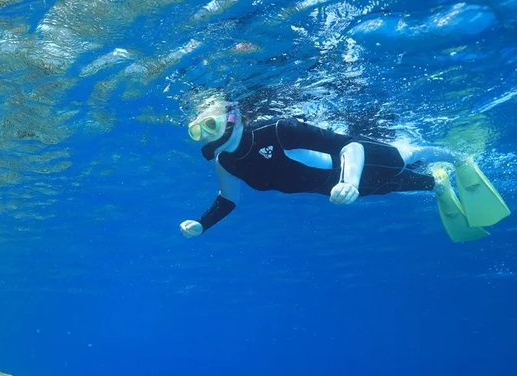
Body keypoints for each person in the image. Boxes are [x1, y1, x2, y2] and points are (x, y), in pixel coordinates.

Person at [179, 101, 510, 242]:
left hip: (354, 166)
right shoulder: (227, 163)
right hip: (335, 190)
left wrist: (348, 181)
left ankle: (458, 158)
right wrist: (202, 224)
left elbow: (350, 147)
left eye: (210, 124)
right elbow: (227, 199)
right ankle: (436, 184)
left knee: (406, 156)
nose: (206, 135)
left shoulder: (277, 130)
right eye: (197, 131)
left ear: (233, 118)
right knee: (392, 186)